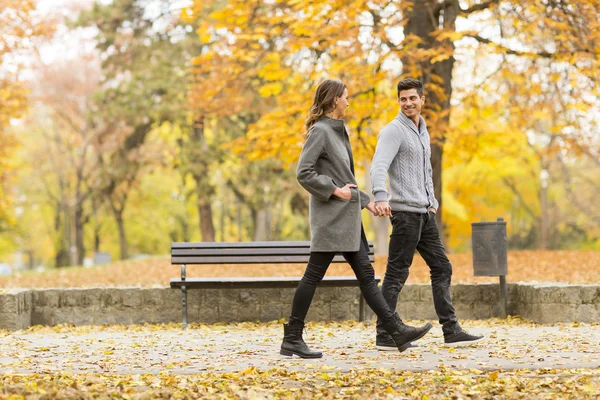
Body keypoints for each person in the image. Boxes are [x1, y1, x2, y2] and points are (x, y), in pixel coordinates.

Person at [280, 79, 432, 359]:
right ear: (334, 100)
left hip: (348, 220)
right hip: (331, 221)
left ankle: (395, 330)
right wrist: (334, 191)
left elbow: (345, 180)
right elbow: (304, 173)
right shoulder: (321, 131)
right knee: (313, 276)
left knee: (367, 278)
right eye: (346, 98)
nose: (349, 102)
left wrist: (367, 203)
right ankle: (292, 337)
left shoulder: (339, 131)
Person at [370, 78, 484, 350]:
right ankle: (385, 335)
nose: (407, 103)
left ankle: (451, 330)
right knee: (397, 273)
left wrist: (432, 201)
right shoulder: (393, 131)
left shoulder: (423, 131)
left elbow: (427, 171)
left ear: (423, 100)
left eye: (412, 98)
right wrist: (381, 195)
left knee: (442, 267)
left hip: (424, 214)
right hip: (405, 215)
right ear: (399, 101)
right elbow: (378, 166)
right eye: (403, 99)